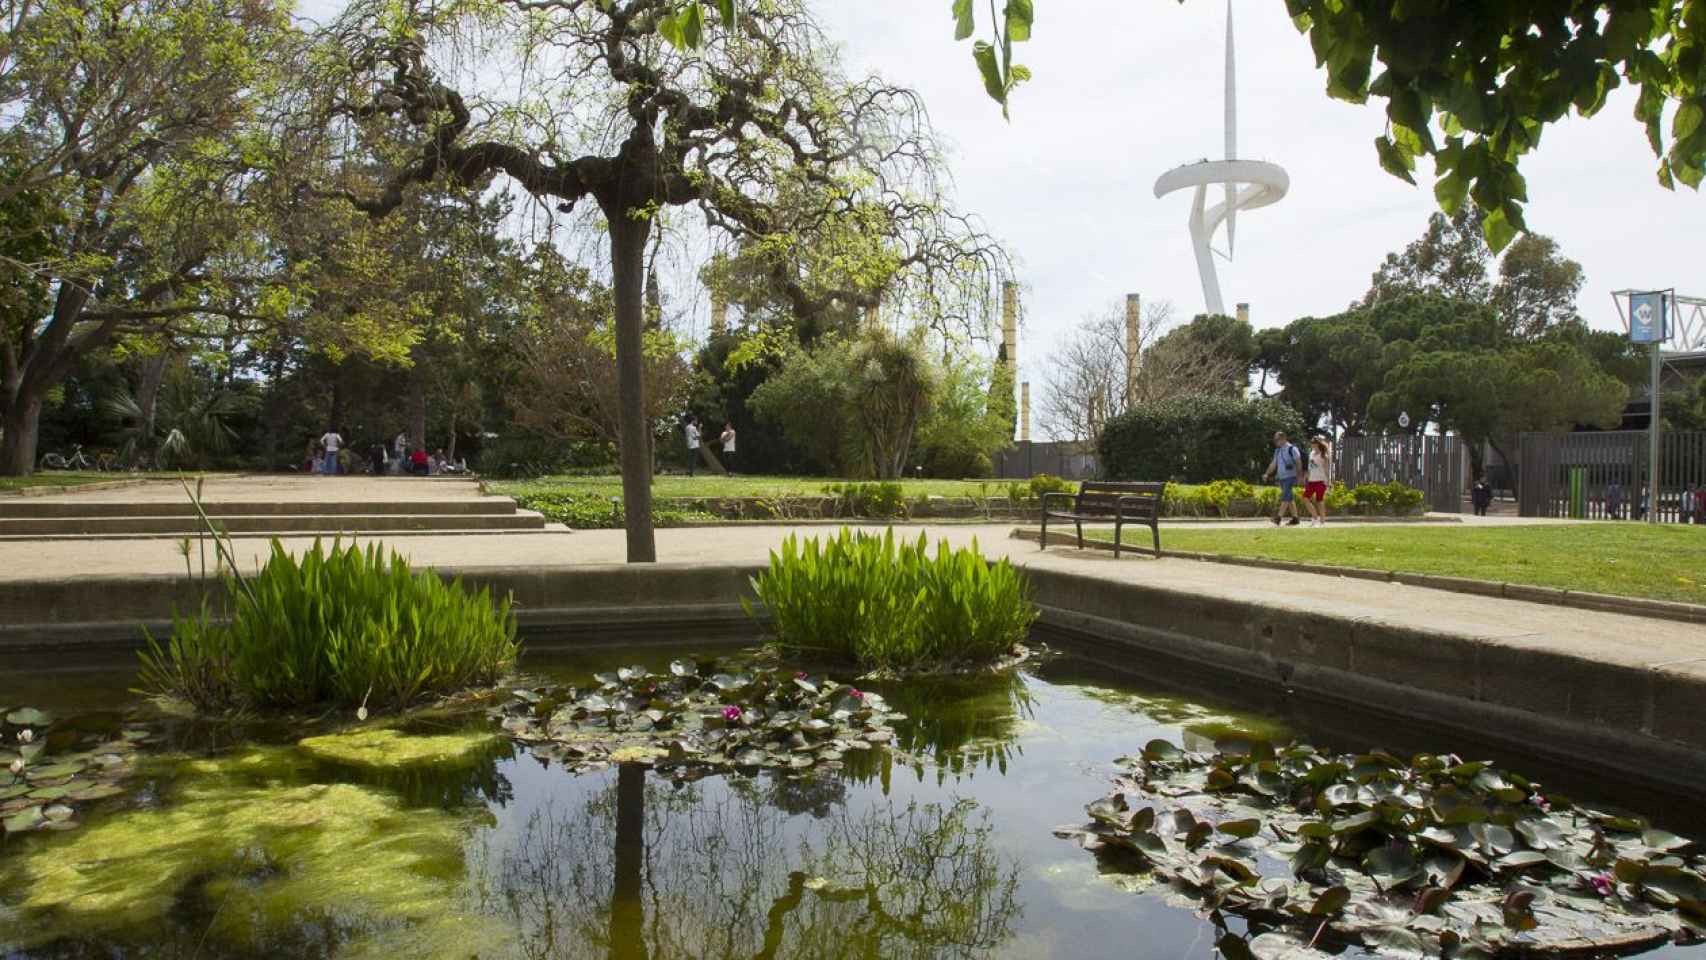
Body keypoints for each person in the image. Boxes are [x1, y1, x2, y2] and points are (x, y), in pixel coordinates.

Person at [1262, 431, 1303, 526]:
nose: (1275, 442)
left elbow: (1298, 462)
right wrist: (1267, 474)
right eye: (1275, 440)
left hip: (1291, 476)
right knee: (1289, 498)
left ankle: (1278, 518)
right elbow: (1273, 464)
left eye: (1277, 440)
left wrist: (1299, 476)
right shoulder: (1278, 451)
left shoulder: (1292, 449)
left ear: (1284, 438)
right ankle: (1295, 518)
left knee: (1285, 497)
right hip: (1281, 477)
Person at [1301, 436, 1332, 527]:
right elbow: (1309, 467)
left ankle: (1322, 522)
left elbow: (1327, 470)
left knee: (1319, 501)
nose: (1312, 445)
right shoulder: (1311, 454)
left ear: (1318, 444)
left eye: (1314, 444)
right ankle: (1315, 517)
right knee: (1305, 498)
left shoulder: (1324, 455)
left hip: (1321, 481)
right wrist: (1306, 477)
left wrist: (1328, 481)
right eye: (1311, 444)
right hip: (1311, 481)